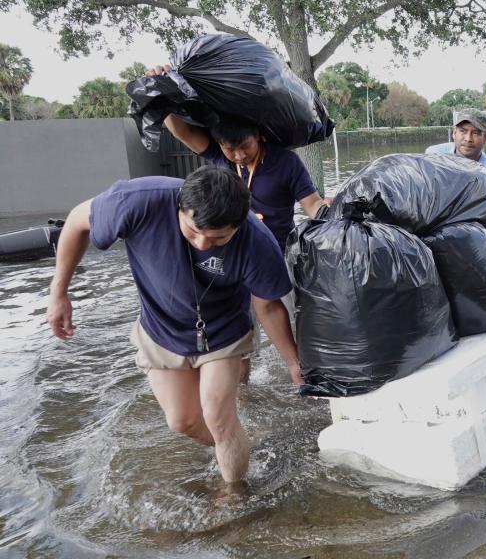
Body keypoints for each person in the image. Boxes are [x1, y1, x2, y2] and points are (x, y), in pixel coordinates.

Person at [46, 165, 302, 487]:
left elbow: (267, 306)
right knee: (183, 421)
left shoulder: (257, 243)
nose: (203, 245)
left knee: (217, 416)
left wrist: (293, 362)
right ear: (180, 207)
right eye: (193, 231)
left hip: (223, 330)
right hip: (161, 328)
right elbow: (76, 221)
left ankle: (235, 495)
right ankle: (241, 441)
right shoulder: (136, 202)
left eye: (219, 238)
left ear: (240, 224)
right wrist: (59, 293)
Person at [146, 65, 327, 251]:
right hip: (234, 253)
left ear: (257, 135)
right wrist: (163, 89)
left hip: (277, 251)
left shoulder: (286, 162)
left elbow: (312, 203)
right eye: (230, 149)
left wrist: (329, 213)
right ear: (219, 144)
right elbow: (183, 132)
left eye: (245, 146)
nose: (239, 156)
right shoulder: (219, 157)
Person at [425, 108, 486, 186]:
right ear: (454, 133)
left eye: (475, 133)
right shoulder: (433, 154)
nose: (468, 139)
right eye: (463, 131)